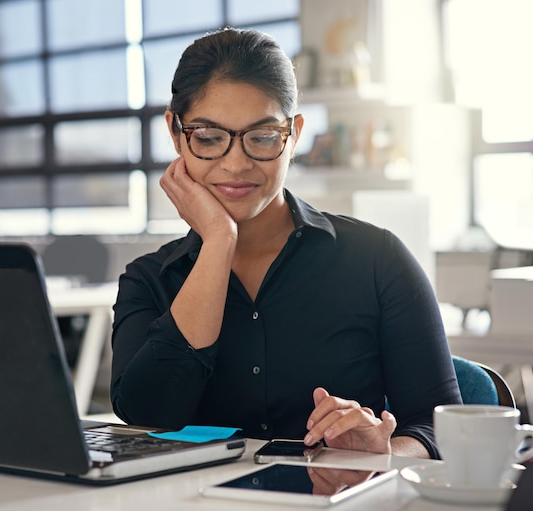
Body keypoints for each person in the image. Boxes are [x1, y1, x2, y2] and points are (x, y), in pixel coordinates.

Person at [110, 27, 462, 459]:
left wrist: (385, 451)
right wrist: (219, 242)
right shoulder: (149, 280)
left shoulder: (377, 260)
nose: (236, 164)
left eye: (261, 137)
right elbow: (147, 417)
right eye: (208, 138)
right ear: (176, 133)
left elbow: (439, 426)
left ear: (293, 135)